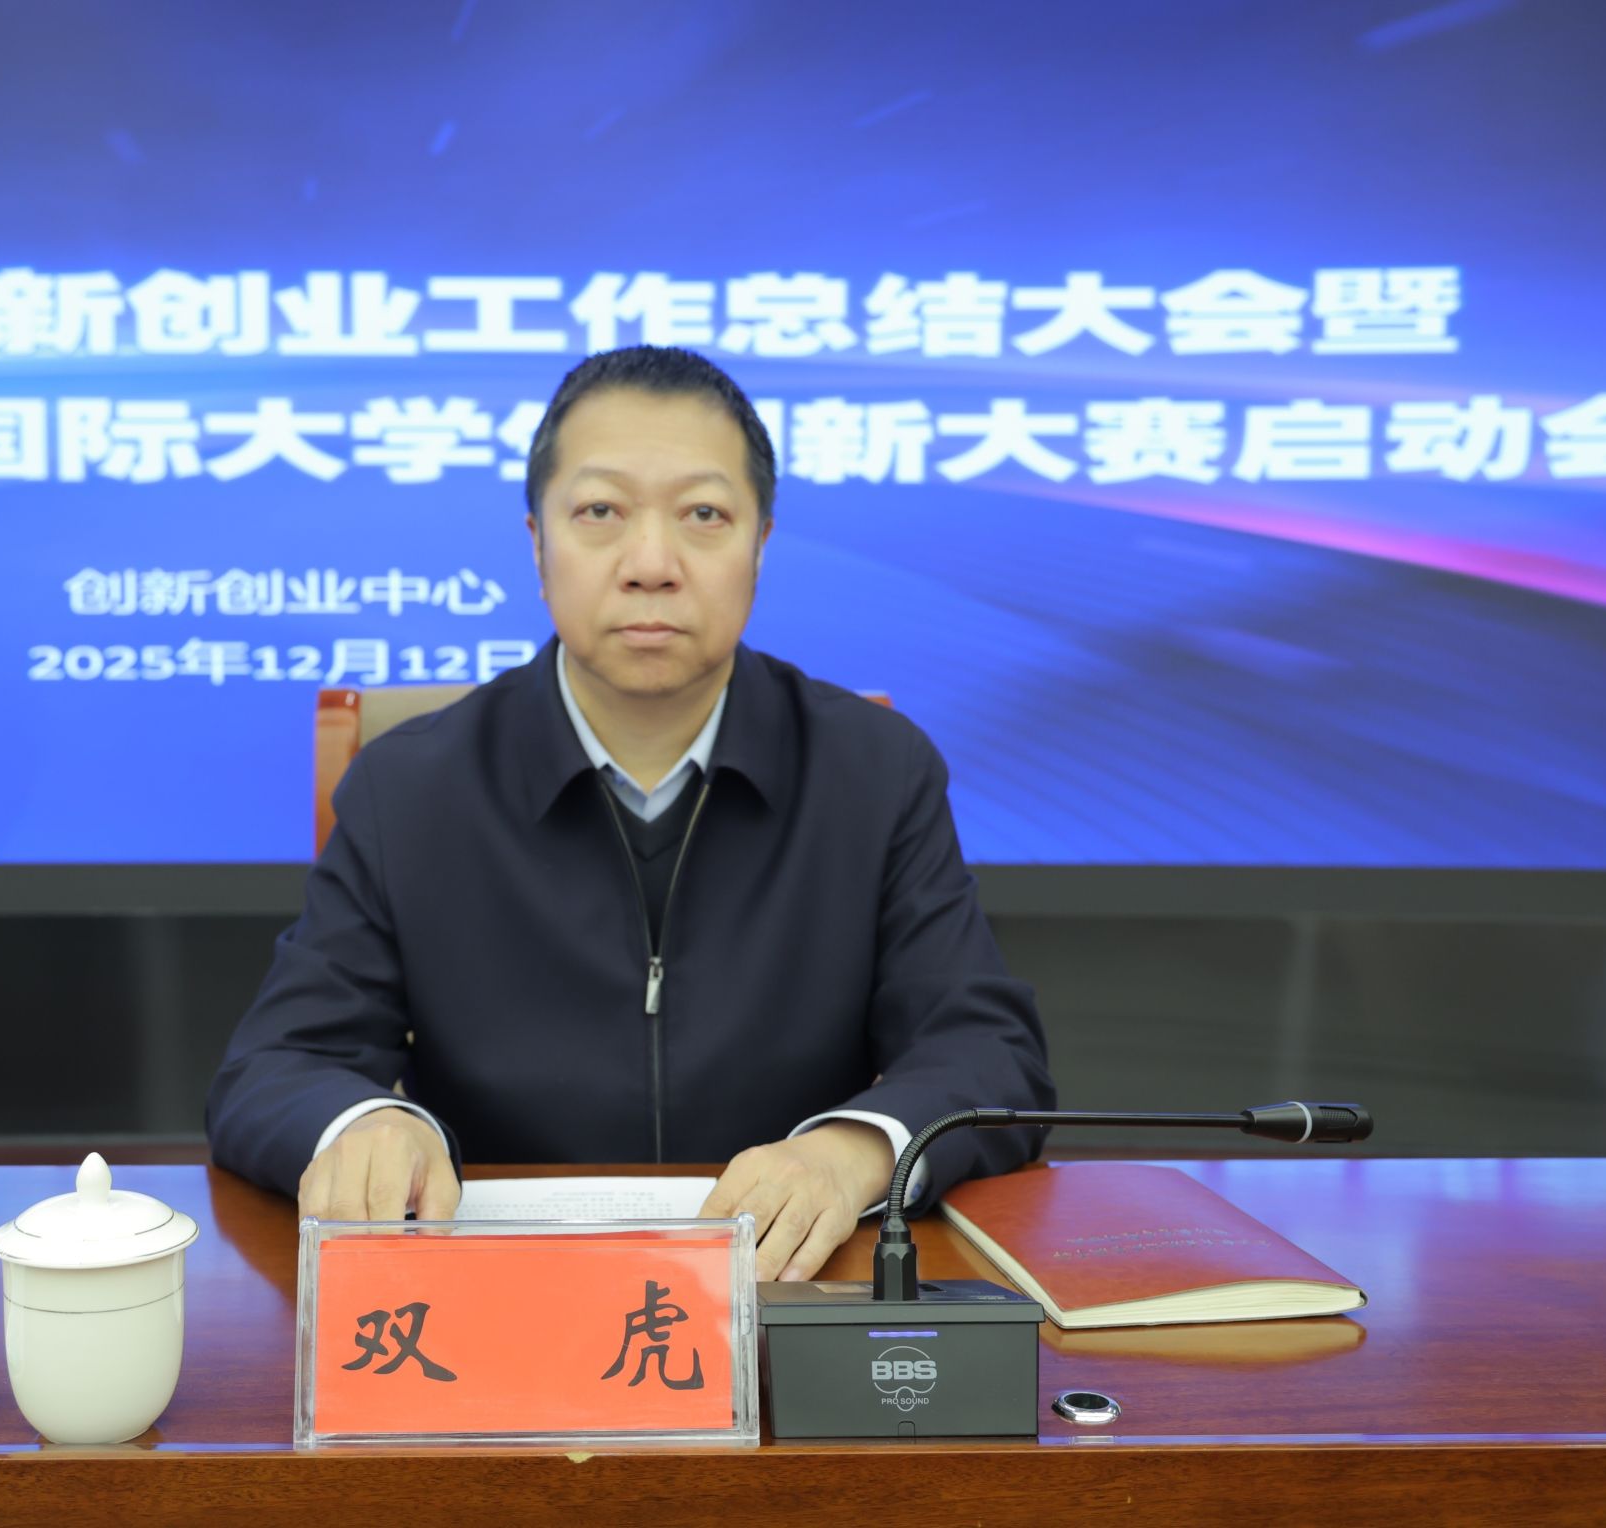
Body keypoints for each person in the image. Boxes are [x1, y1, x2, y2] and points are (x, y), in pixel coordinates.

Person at [206, 346, 1054, 1280]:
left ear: (761, 546)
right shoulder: (409, 787)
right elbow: (277, 1064)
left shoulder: (872, 772)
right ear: (538, 545)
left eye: (704, 515)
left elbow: (987, 1052)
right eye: (601, 512)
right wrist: (369, 1123)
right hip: (498, 1290)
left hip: (789, 1285)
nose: (652, 565)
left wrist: (851, 1153)